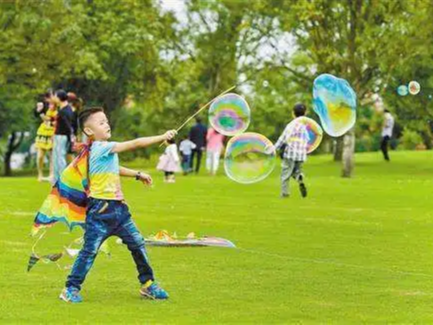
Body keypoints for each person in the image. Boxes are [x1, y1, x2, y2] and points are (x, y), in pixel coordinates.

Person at [59, 107, 177, 303]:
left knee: (137, 243)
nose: (107, 125)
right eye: (101, 122)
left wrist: (137, 174)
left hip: (120, 211)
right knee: (89, 251)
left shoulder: (101, 151)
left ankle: (148, 285)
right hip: (100, 212)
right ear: (89, 131)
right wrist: (163, 136)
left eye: (106, 121)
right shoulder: (100, 147)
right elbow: (136, 143)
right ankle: (70, 288)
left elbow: (115, 167)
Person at [274, 103, 309, 198]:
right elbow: (307, 140)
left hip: (290, 153)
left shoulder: (291, 125)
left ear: (293, 113)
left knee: (285, 173)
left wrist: (274, 148)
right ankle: (299, 177)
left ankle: (285, 194)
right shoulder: (305, 126)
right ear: (305, 113)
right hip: (301, 154)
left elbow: (283, 138)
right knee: (296, 171)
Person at [52, 89, 74, 183]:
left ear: (59, 98)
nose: (54, 98)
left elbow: (68, 126)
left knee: (60, 158)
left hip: (61, 137)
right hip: (60, 136)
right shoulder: (65, 109)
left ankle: (62, 179)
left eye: (55, 96)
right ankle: (57, 180)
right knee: (57, 158)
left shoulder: (64, 111)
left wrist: (70, 137)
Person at [34, 92, 57, 181]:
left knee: (52, 156)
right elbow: (37, 114)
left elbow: (51, 120)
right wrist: (39, 111)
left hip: (53, 133)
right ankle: (40, 174)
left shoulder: (58, 110)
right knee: (40, 156)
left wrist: (42, 115)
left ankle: (51, 175)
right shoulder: (44, 107)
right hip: (43, 133)